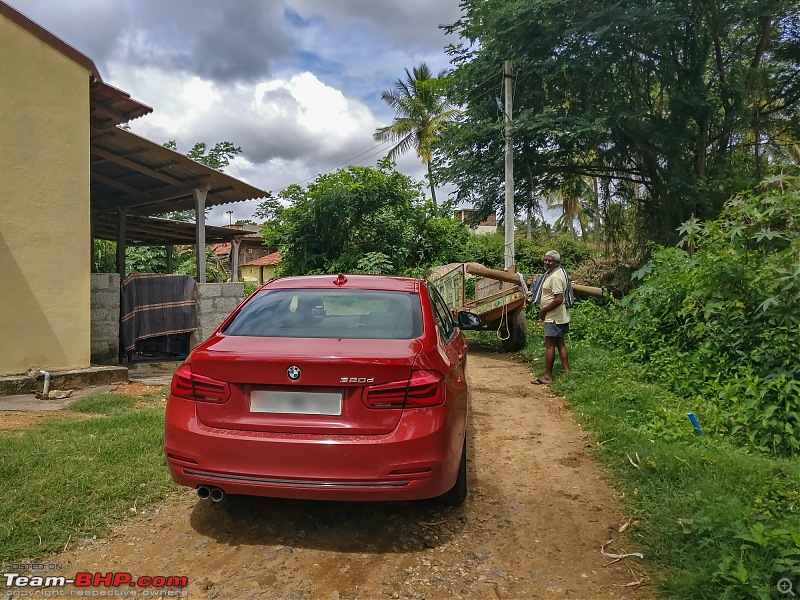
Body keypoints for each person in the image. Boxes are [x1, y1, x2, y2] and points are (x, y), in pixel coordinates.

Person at [532, 250, 570, 384]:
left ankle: (547, 376)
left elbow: (558, 299)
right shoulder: (557, 273)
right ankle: (567, 373)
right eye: (546, 260)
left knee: (549, 345)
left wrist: (543, 311)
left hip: (553, 316)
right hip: (559, 316)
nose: (547, 263)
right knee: (560, 343)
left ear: (557, 263)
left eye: (550, 261)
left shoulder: (555, 277)